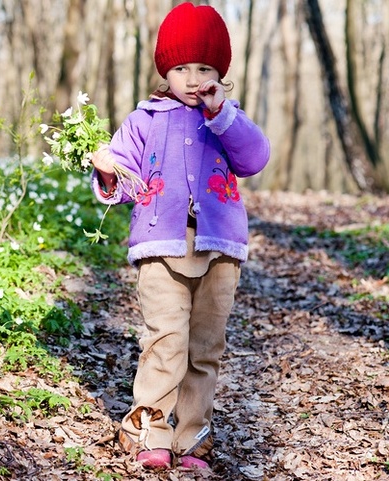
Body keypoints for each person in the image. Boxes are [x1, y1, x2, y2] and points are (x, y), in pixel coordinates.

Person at [90, 1, 270, 471]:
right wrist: (110, 172)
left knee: (205, 347)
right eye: (182, 68)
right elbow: (128, 180)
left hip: (219, 250)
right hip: (160, 245)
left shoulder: (227, 119)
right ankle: (151, 430)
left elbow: (254, 159)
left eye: (205, 68)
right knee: (165, 338)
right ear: (165, 70)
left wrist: (223, 114)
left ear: (220, 72)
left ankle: (193, 439)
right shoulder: (145, 119)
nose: (193, 78)